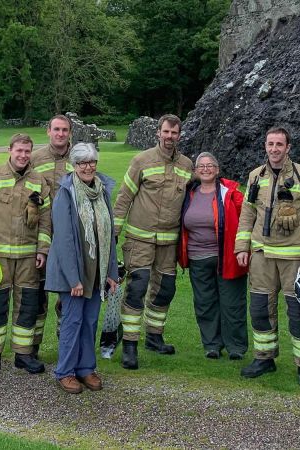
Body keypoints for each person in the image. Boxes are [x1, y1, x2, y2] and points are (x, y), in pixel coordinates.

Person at [235, 127, 300, 388]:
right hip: (261, 256)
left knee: (299, 313)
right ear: (265, 146)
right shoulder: (256, 176)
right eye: (270, 144)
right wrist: (242, 247)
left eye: (279, 144)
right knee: (260, 310)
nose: (274, 149)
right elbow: (247, 215)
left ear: (288, 148)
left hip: (294, 259)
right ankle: (264, 358)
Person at [113, 114, 194, 370]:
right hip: (139, 239)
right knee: (137, 289)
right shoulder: (141, 160)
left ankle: (154, 337)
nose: (169, 137)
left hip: (168, 243)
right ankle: (129, 345)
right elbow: (124, 197)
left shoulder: (186, 165)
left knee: (165, 289)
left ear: (179, 135)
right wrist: (114, 231)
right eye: (166, 132)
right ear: (158, 132)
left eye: (174, 133)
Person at [0, 133, 52, 378]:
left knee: (27, 306)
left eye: (27, 151)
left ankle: (23, 354)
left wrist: (42, 249)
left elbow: (47, 221)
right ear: (10, 150)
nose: (23, 155)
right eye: (19, 150)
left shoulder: (39, 181)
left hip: (29, 258)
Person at [45, 143, 118, 393]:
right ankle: (65, 371)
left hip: (97, 271)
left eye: (92, 162)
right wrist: (73, 279)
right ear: (74, 166)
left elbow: (109, 233)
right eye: (82, 162)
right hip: (74, 273)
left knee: (89, 321)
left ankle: (86, 368)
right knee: (72, 321)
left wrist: (111, 273)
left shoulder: (103, 190)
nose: (88, 167)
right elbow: (63, 239)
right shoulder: (65, 193)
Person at [178, 152, 249, 360]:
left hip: (226, 258)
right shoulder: (188, 193)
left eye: (210, 165)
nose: (206, 169)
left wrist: (244, 247)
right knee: (205, 303)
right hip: (197, 258)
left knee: (232, 304)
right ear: (196, 171)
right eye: (201, 166)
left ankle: (236, 346)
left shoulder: (231, 193)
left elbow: (247, 217)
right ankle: (212, 344)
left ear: (217, 170)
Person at [30, 114, 72, 354]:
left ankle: (65, 344)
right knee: (37, 294)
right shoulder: (35, 159)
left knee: (67, 295)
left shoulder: (79, 158)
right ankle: (33, 348)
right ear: (48, 131)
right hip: (41, 236)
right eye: (56, 129)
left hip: (70, 238)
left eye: (64, 130)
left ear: (70, 133)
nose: (60, 134)